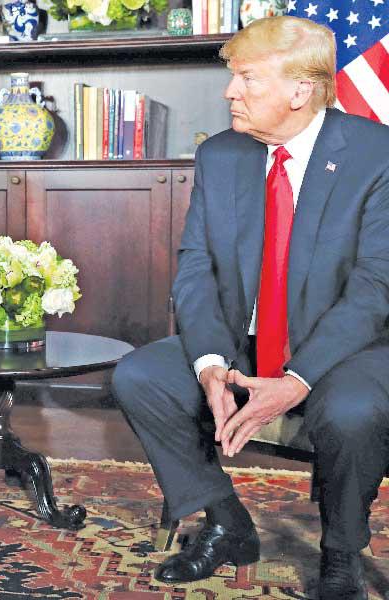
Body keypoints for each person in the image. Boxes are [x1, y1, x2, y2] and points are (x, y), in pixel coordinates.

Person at [112, 16, 389, 600]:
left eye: (247, 78)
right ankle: (227, 522)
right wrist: (210, 363)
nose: (229, 92)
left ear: (301, 89)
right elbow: (196, 269)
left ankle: (341, 554)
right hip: (244, 341)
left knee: (352, 410)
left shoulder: (376, 154)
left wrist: (296, 379)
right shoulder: (221, 154)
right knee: (141, 376)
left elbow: (374, 286)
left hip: (346, 349)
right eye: (232, 76)